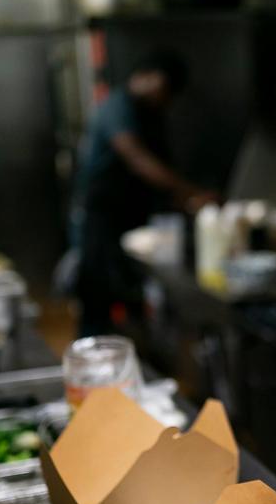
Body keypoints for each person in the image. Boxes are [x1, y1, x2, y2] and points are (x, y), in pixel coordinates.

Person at [71, 49, 216, 336]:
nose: (166, 99)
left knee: (131, 295)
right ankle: (93, 358)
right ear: (149, 77)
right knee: (97, 294)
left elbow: (162, 164)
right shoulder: (118, 105)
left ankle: (136, 360)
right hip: (103, 215)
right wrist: (188, 192)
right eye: (165, 89)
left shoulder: (152, 114)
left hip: (132, 215)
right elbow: (137, 159)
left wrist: (182, 199)